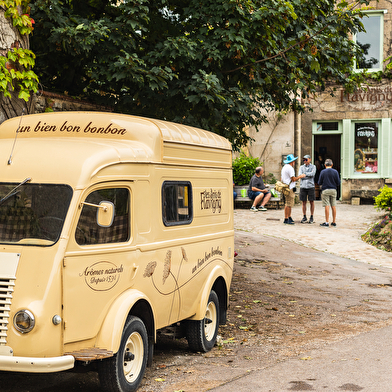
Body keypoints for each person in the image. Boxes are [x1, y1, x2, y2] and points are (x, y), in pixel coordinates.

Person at [281, 154, 306, 224]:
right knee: (288, 204)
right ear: (292, 162)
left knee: (289, 203)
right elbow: (293, 179)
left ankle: (289, 217)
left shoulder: (284, 167)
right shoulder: (290, 168)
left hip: (285, 187)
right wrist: (300, 176)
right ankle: (286, 218)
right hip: (289, 188)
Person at [318, 158, 340, 227]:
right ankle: (334, 221)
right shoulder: (335, 172)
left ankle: (327, 222)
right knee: (333, 205)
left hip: (325, 190)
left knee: (327, 205)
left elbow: (319, 182)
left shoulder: (323, 172)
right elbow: (338, 182)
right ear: (332, 165)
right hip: (333, 190)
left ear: (325, 165)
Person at [299, 154, 316, 223]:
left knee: (311, 201)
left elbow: (313, 174)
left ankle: (311, 216)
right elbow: (300, 175)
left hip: (310, 186)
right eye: (304, 160)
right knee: (303, 202)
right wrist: (308, 174)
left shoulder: (313, 166)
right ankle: (304, 216)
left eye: (306, 159)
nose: (305, 161)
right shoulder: (301, 167)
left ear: (310, 159)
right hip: (303, 186)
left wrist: (305, 174)